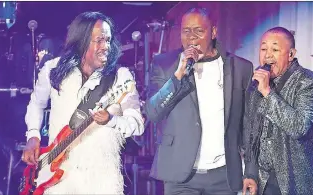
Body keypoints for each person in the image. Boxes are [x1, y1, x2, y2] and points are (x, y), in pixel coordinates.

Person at [21, 12, 144, 194]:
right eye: (99, 40)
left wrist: (111, 120)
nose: (106, 47)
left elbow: (137, 125)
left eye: (108, 40)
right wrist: (33, 136)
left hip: (102, 180)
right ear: (81, 40)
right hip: (57, 179)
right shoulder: (53, 69)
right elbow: (36, 104)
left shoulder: (121, 77)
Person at [145, 7, 253, 195]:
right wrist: (178, 76)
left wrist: (250, 171)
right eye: (186, 31)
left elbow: (249, 124)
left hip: (224, 175)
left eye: (199, 31)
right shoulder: (165, 64)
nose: (191, 38)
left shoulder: (240, 67)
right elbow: (153, 112)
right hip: (181, 175)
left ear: (213, 32)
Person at [242, 27, 313, 195]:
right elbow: (251, 133)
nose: (267, 55)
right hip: (265, 180)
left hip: (299, 183)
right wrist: (250, 173)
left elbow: (298, 127)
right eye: (263, 49)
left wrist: (268, 93)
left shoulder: (307, 81)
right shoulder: (257, 84)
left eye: (275, 49)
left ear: (291, 54)